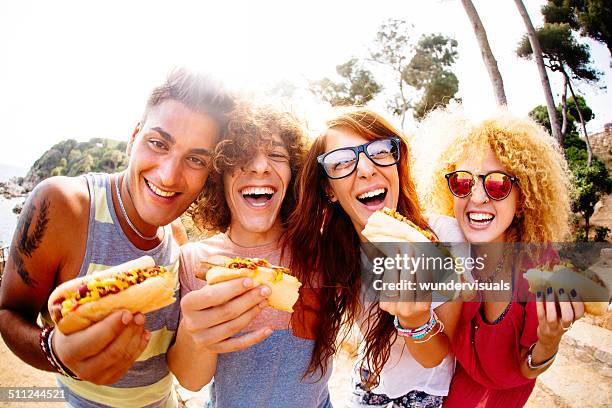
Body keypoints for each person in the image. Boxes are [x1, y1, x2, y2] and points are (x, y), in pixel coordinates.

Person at [0, 69, 234, 407]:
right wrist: (55, 352)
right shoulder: (65, 206)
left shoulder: (177, 237)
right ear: (134, 137)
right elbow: (9, 313)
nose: (168, 175)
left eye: (195, 159)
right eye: (158, 143)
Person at [286, 107, 464, 408]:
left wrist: (415, 319)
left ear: (397, 163)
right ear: (329, 190)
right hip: (367, 387)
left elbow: (436, 355)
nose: (366, 169)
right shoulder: (335, 251)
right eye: (342, 161)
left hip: (426, 393)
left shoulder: (442, 236)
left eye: (380, 150)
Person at [168, 103, 333, 407]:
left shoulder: (321, 252)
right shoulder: (194, 262)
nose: (259, 167)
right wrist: (198, 333)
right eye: (242, 155)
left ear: (295, 174)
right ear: (218, 176)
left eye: (277, 155)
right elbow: (192, 380)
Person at [418, 110, 584, 407]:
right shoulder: (448, 247)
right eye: (462, 182)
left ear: (522, 201)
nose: (477, 197)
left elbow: (528, 366)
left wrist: (548, 340)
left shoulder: (542, 266)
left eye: (497, 184)